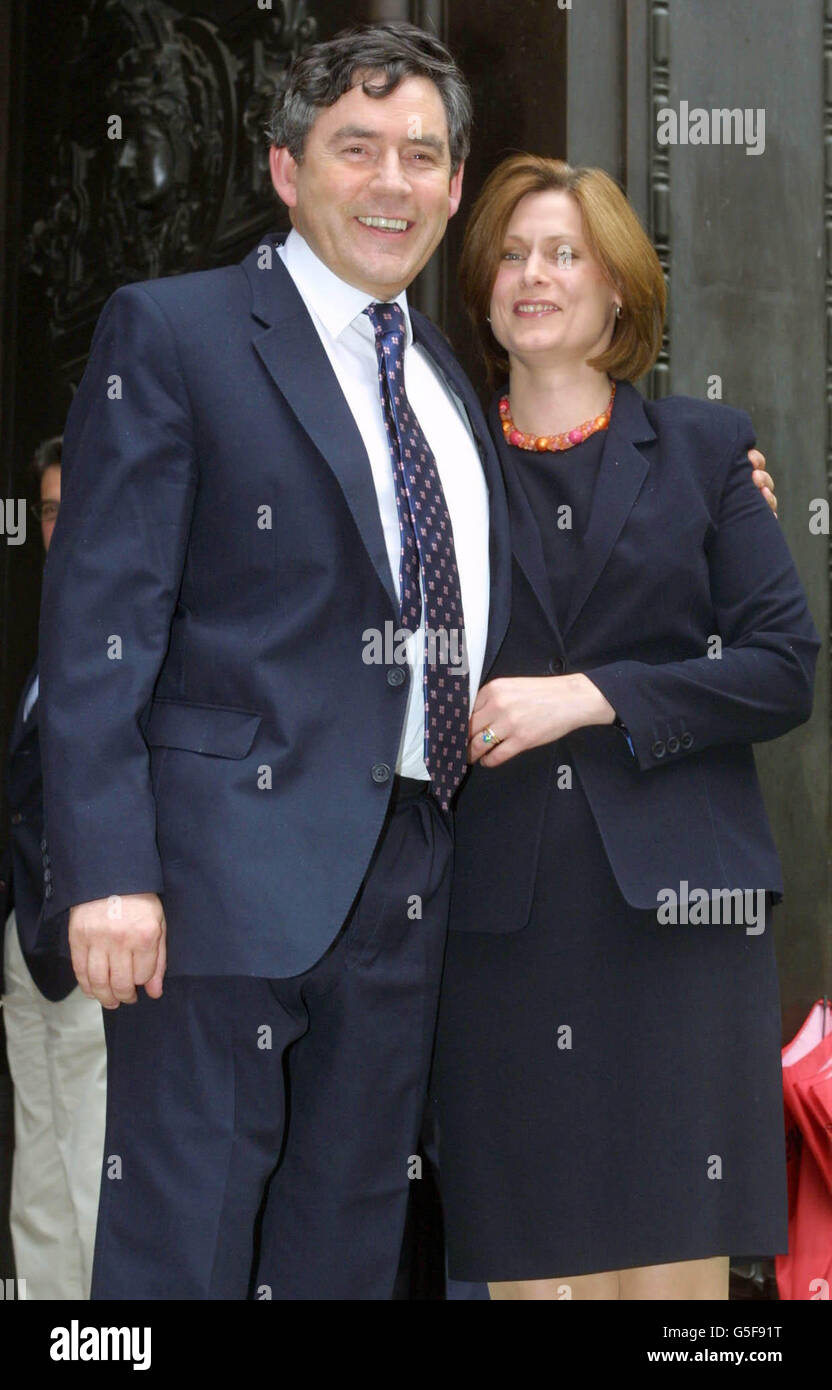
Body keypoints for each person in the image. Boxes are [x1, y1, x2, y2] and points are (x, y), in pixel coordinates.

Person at [35, 25, 777, 1300]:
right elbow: (101, 624)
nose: (391, 182)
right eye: (355, 149)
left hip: (419, 884)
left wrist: (716, 495)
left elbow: (554, 550)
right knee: (182, 1248)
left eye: (420, 156)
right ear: (284, 168)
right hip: (215, 886)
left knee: (347, 1247)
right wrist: (105, 869)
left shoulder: (442, 373)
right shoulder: (174, 330)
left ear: (452, 181)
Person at [431, 154, 819, 1301]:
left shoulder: (704, 449)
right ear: (482, 286)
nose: (534, 275)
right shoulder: (432, 457)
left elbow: (781, 667)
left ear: (618, 293)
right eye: (510, 252)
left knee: (669, 1276)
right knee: (533, 1270)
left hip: (675, 920)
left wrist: (590, 695)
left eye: (565, 254)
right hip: (497, 922)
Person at [1, 436, 106, 1299]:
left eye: (80, 508)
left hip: (97, 940)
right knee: (39, 1177)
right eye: (49, 513)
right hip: (29, 946)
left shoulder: (136, 626)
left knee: (90, 1170)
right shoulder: (53, 627)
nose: (61, 528)